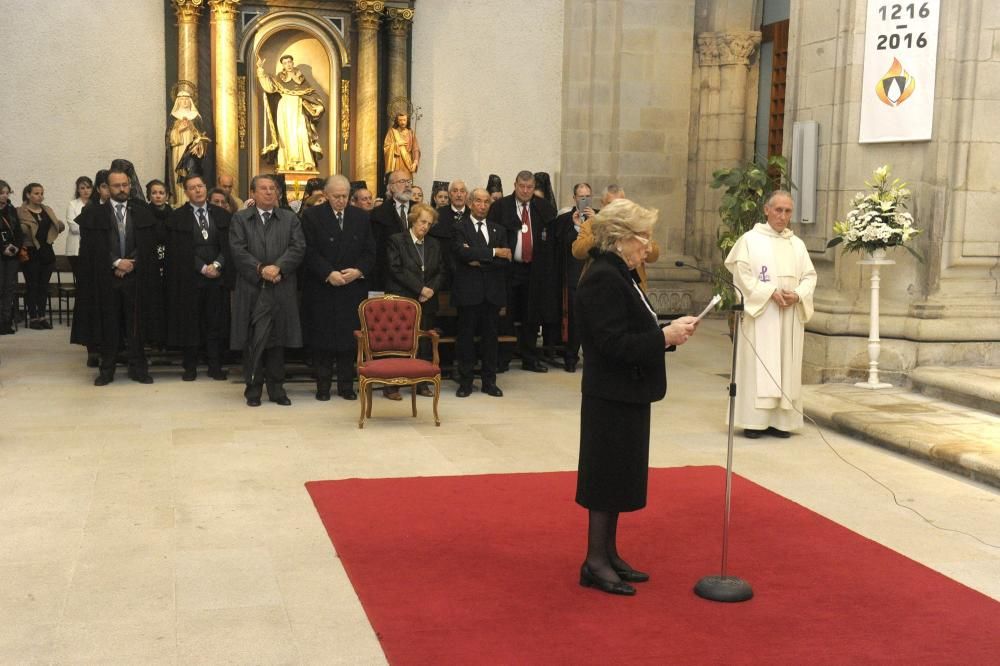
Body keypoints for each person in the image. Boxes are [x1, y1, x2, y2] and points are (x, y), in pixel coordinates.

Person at [574, 198, 698, 596]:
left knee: (619, 476)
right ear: (620, 239)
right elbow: (612, 343)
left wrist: (667, 330)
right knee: (604, 478)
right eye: (643, 237)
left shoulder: (622, 273)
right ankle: (594, 561)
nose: (648, 245)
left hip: (627, 391)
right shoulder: (603, 277)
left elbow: (632, 327)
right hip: (609, 393)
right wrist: (663, 337)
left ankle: (608, 554)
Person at [724, 190, 817, 438]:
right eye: (778, 210)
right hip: (762, 315)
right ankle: (754, 422)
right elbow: (741, 276)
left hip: (788, 316)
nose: (783, 216)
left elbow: (810, 276)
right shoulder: (750, 240)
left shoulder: (796, 244)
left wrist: (797, 295)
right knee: (759, 367)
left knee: (786, 365)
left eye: (788, 211)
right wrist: (768, 292)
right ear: (767, 210)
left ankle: (781, 421)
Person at [72, 168, 163, 385]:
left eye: (125, 185)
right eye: (116, 185)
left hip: (136, 277)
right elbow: (93, 248)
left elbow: (149, 244)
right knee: (109, 324)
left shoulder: (142, 211)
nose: (122, 189)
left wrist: (131, 262)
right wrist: (116, 262)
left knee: (136, 325)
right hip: (106, 278)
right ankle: (107, 369)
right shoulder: (94, 214)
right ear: (106, 188)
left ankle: (138, 368)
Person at [229, 174, 306, 406]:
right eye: (263, 188)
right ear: (253, 193)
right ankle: (253, 389)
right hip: (252, 287)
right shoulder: (241, 219)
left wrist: (279, 267)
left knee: (277, 339)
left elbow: (298, 247)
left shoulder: (289, 219)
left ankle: (277, 389)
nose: (269, 192)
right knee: (253, 338)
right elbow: (237, 250)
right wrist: (261, 268)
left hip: (280, 287)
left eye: (273, 188)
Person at [301, 175, 375, 401]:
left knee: (348, 339)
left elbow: (370, 250)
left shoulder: (360, 217)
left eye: (345, 196)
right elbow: (308, 250)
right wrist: (327, 273)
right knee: (322, 339)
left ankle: (346, 386)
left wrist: (359, 271)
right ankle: (323, 386)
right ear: (326, 195)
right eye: (337, 196)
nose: (341, 200)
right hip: (323, 287)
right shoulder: (312, 216)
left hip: (351, 288)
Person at [487, 170, 559, 372]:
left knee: (532, 315)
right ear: (515, 185)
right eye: (522, 186)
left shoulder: (543, 207)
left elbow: (551, 241)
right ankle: (504, 358)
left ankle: (529, 357)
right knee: (506, 314)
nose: (526, 191)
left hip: (535, 270)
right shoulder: (501, 207)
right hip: (508, 270)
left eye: (529, 187)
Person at [165, 174, 232, 382]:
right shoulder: (178, 217)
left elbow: (229, 245)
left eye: (201, 186)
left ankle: (215, 365)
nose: (198, 190)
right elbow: (179, 250)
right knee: (191, 322)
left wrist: (218, 264)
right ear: (186, 192)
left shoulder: (222, 215)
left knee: (215, 322)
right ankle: (190, 366)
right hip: (190, 278)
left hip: (217, 278)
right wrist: (203, 268)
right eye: (192, 187)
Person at [452, 188, 511, 397]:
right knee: (466, 338)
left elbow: (505, 261)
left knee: (490, 339)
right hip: (469, 293)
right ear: (470, 203)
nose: (483, 205)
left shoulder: (498, 230)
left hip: (492, 293)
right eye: (478, 201)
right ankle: (466, 382)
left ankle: (489, 381)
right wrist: (494, 253)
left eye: (486, 202)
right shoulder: (460, 227)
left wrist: (478, 259)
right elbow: (462, 253)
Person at [384, 203, 445, 398]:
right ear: (413, 220)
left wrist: (431, 290)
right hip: (403, 299)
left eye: (429, 223)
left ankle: (421, 383)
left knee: (424, 342)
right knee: (398, 343)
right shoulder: (396, 240)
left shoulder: (434, 244)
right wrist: (420, 288)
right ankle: (392, 385)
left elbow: (441, 270)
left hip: (427, 301)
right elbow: (395, 269)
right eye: (422, 222)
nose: (425, 227)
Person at [572, 184, 661, 292]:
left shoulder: (635, 224)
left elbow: (653, 256)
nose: (616, 209)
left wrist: (639, 237)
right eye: (611, 204)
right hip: (600, 283)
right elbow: (577, 252)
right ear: (603, 204)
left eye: (619, 204)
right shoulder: (592, 223)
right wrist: (599, 232)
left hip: (631, 282)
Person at [553, 182, 596, 372]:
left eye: (587, 196)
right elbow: (563, 243)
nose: (584, 199)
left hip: (595, 275)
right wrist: (578, 227)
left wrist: (596, 222)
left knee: (594, 319)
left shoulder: (600, 217)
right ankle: (570, 356)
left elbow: (605, 242)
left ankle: (593, 356)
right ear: (574, 198)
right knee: (574, 318)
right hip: (572, 275)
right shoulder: (565, 219)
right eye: (581, 196)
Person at [256, 55, 325, 171]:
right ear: (282, 65)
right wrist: (260, 71)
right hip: (285, 108)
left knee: (302, 134)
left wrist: (319, 106)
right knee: (285, 135)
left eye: (289, 62)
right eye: (285, 63)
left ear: (293, 63)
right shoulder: (279, 78)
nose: (288, 64)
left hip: (298, 109)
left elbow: (311, 94)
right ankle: (287, 162)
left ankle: (306, 162)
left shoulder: (301, 79)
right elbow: (269, 88)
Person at [17, 183, 65, 330]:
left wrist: (59, 226)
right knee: (33, 286)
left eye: (41, 193)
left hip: (46, 252)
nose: (40, 196)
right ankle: (33, 318)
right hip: (31, 252)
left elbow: (56, 225)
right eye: (36, 193)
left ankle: (42, 316)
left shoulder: (47, 209)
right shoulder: (20, 211)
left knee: (43, 287)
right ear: (28, 195)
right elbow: (17, 230)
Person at [370, 169, 414, 290]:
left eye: (409, 181)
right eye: (402, 181)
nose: (407, 185)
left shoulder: (421, 210)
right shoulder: (378, 214)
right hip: (389, 278)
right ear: (391, 187)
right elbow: (376, 250)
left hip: (417, 279)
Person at [167, 86, 210, 205]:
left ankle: (191, 200)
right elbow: (169, 138)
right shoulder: (173, 117)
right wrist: (179, 130)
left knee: (191, 171)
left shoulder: (196, 117)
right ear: (178, 101)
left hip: (192, 151)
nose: (185, 102)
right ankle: (179, 200)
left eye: (187, 99)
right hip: (179, 148)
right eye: (182, 100)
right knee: (180, 173)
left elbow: (202, 136)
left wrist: (198, 143)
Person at [0, 180, 24, 335]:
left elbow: (19, 232)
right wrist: (2, 248)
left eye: (7, 192)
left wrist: (15, 247)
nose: (5, 196)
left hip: (11, 256)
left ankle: (6, 321)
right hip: (1, 254)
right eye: (2, 192)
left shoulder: (11, 210)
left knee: (9, 288)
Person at [65, 176, 93, 274]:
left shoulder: (97, 204)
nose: (86, 190)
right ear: (78, 190)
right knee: (80, 278)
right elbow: (74, 227)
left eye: (88, 187)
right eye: (82, 188)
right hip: (75, 249)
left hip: (93, 249)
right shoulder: (72, 204)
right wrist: (92, 228)